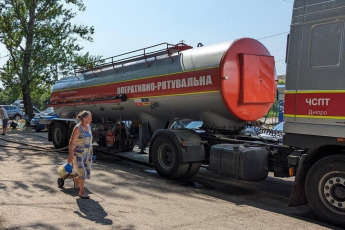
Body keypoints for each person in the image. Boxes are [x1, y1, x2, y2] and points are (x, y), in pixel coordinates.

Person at [68, 110, 93, 199]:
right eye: (90, 117)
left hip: (87, 154)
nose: (91, 119)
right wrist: (70, 156)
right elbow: (71, 142)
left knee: (86, 172)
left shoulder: (89, 126)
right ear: (84, 118)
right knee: (82, 173)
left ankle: (76, 179)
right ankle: (81, 192)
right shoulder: (78, 128)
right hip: (78, 154)